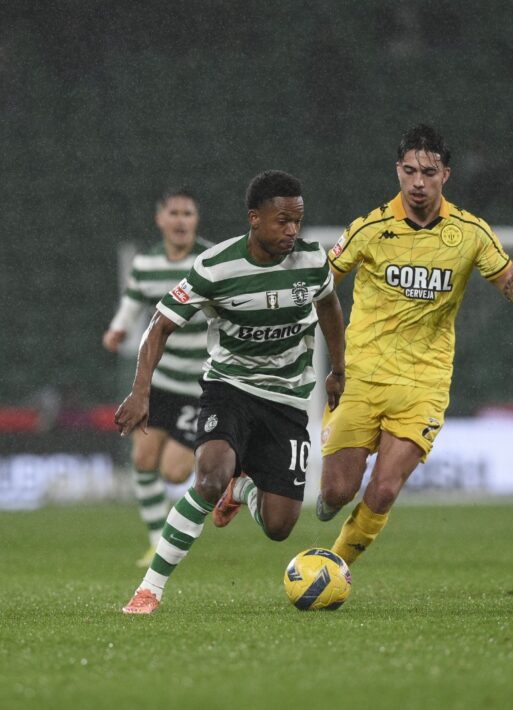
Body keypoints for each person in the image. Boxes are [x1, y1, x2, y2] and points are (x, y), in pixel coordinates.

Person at [117, 170, 346, 615]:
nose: (292, 231)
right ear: (254, 219)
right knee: (207, 477)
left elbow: (330, 307)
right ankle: (150, 588)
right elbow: (160, 324)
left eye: (297, 221)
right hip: (230, 387)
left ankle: (241, 491)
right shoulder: (215, 267)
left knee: (280, 526)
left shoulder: (313, 262)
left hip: (287, 401)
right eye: (282, 221)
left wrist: (338, 369)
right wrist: (140, 391)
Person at [316, 124, 513, 566]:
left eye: (429, 172)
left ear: (446, 175)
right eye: (410, 171)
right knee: (337, 492)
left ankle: (331, 567)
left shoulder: (471, 233)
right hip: (362, 374)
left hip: (423, 383)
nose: (419, 182)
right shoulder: (369, 228)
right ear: (397, 170)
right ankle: (331, 503)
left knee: (383, 488)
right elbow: (320, 284)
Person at [102, 187, 209, 567]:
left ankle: (228, 464)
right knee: (143, 459)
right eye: (175, 213)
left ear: (196, 220)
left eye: (188, 213)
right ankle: (157, 542)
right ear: (160, 220)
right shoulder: (146, 264)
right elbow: (132, 301)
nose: (181, 220)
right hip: (161, 381)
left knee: (175, 470)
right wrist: (117, 329)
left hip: (199, 384)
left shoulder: (208, 262)